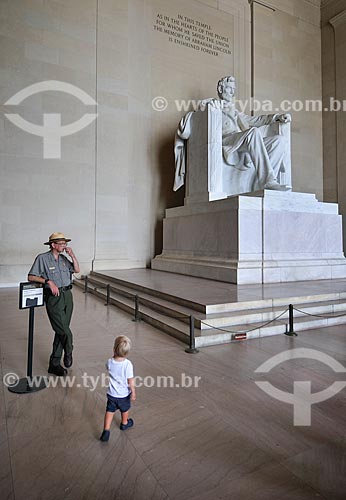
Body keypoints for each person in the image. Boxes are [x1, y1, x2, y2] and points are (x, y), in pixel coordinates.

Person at [174, 75, 291, 193]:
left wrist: (277, 117)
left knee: (279, 141)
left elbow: (256, 120)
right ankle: (268, 181)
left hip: (241, 140)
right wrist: (211, 105)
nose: (232, 93)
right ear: (220, 89)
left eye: (234, 90)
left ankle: (264, 183)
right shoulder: (211, 105)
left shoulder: (235, 112)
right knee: (253, 133)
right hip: (226, 141)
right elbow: (200, 113)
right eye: (230, 88)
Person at [28, 232, 80, 376]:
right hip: (54, 297)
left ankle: (54, 364)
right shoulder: (42, 258)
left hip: (67, 296)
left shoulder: (64, 258)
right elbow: (31, 276)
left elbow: (76, 270)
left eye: (65, 243)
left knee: (61, 330)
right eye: (62, 243)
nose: (64, 246)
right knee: (64, 330)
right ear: (53, 245)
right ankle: (69, 351)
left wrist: (73, 256)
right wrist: (48, 281)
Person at [100, 335, 136, 441]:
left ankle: (106, 430)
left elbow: (108, 368)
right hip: (123, 395)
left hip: (111, 394)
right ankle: (124, 423)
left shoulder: (110, 362)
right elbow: (130, 381)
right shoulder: (127, 364)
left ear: (114, 349)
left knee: (109, 411)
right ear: (127, 352)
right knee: (125, 409)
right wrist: (133, 392)